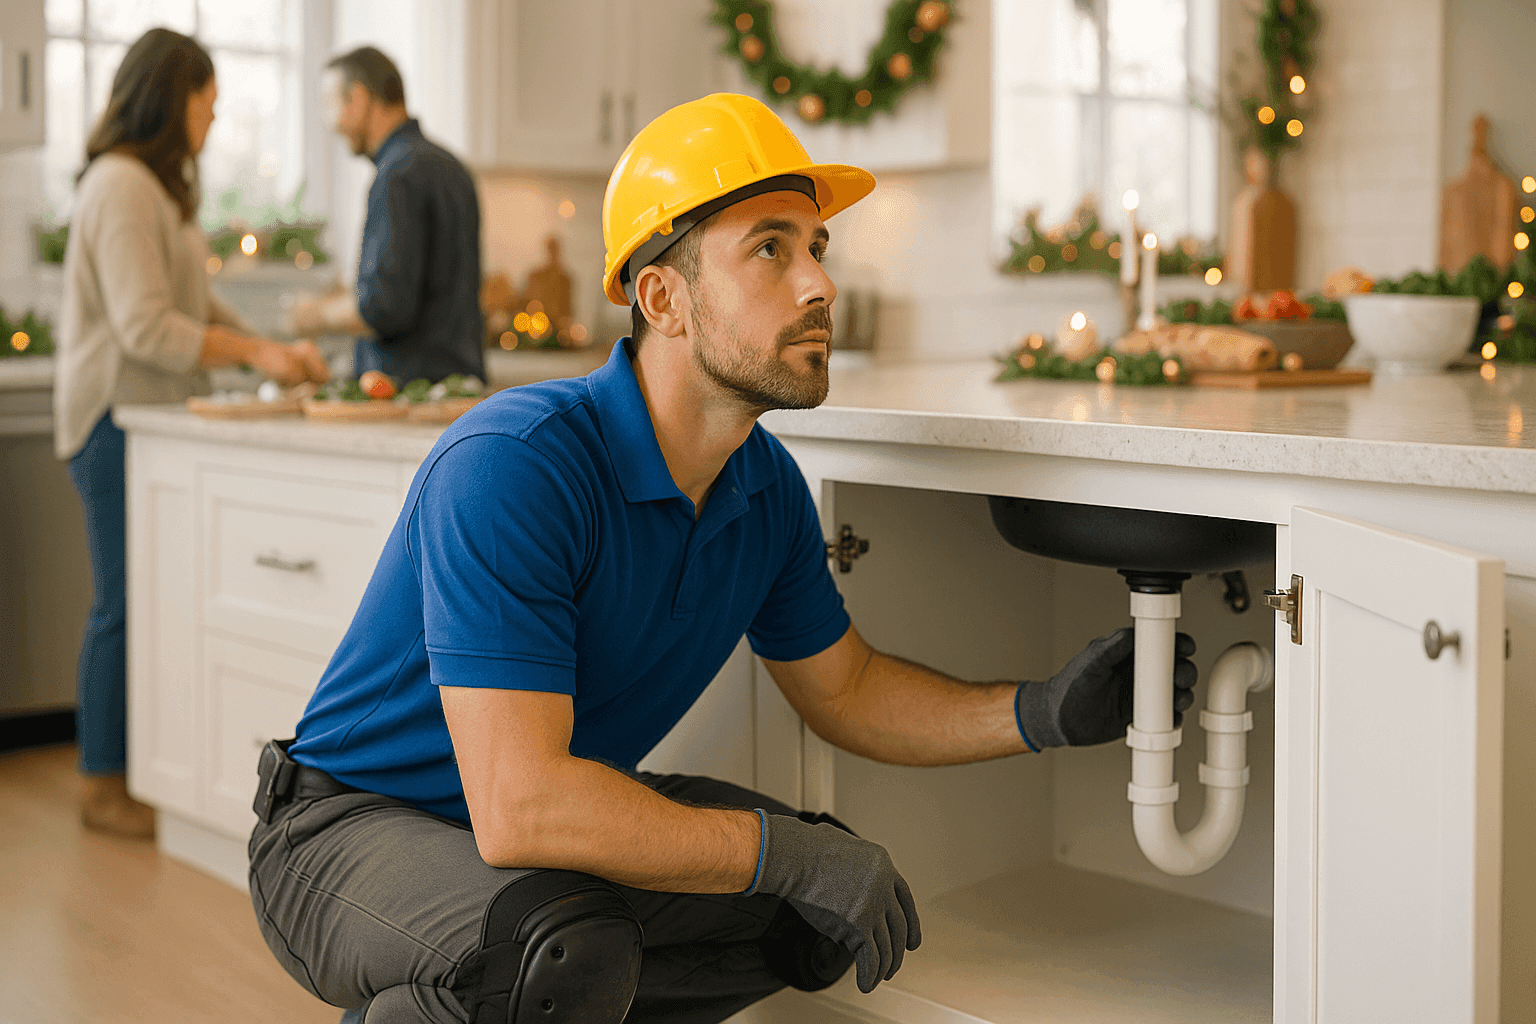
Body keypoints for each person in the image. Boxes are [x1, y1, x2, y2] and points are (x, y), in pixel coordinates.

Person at [248, 93, 1199, 1023]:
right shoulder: (516, 464)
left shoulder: (764, 487)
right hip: (346, 830)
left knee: (810, 920)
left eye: (818, 248)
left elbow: (848, 689)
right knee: (565, 954)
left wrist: (1042, 711)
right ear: (663, 298)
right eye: (771, 250)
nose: (820, 285)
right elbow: (522, 806)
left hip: (527, 835)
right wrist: (784, 853)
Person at [55, 28, 327, 840]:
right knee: (125, 606)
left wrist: (270, 350)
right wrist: (257, 354)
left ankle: (145, 768)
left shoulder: (157, 190)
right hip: (113, 418)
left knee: (155, 601)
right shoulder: (119, 185)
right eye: (207, 100)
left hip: (150, 420)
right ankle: (101, 782)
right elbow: (144, 326)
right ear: (171, 99)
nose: (213, 116)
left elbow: (195, 305)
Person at [288, 46, 484, 384]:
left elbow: (384, 308)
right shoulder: (453, 168)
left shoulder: (396, 174)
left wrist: (313, 315)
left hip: (405, 389)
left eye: (330, 104)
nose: (330, 123)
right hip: (458, 384)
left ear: (358, 98)